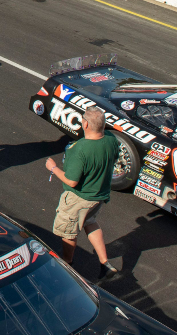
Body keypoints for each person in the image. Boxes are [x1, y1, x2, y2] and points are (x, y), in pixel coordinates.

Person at [45, 106, 122, 283]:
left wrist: (53, 168)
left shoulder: (79, 149)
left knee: (69, 232)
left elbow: (71, 181)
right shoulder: (111, 139)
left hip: (79, 199)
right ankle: (105, 263)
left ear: (85, 124)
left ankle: (67, 264)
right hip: (99, 196)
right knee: (90, 222)